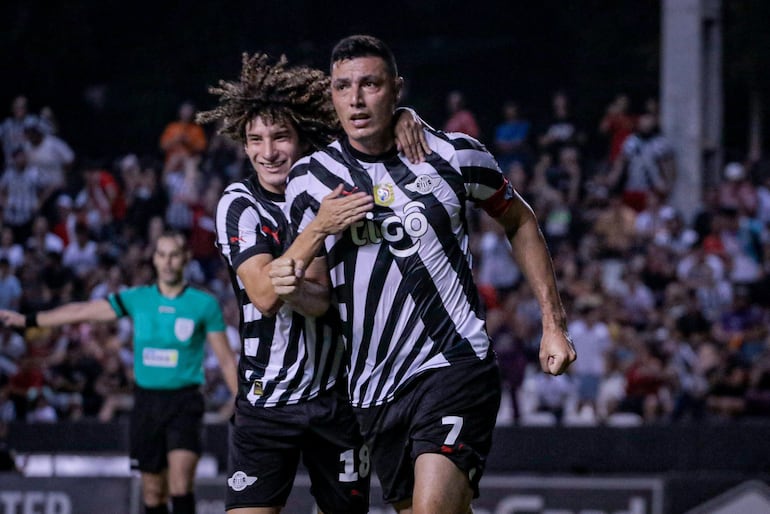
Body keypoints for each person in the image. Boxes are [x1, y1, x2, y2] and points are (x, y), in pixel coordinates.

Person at [276, 35, 576, 514]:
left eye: (370, 85)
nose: (355, 99)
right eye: (343, 87)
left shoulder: (454, 155)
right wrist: (295, 284)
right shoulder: (309, 178)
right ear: (330, 95)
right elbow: (318, 297)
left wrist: (553, 323)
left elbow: (519, 220)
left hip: (453, 362)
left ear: (396, 89)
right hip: (373, 386)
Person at [196, 52, 429, 514]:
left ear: (304, 138)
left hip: (338, 399)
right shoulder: (239, 204)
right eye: (255, 140)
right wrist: (318, 230)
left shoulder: (334, 182)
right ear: (243, 147)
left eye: (280, 136)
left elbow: (319, 301)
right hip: (266, 400)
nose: (268, 152)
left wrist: (404, 116)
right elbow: (263, 295)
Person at [0, 230, 238, 514]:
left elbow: (225, 360)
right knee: (153, 491)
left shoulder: (203, 304)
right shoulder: (138, 298)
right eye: (162, 255)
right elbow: (82, 311)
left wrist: (245, 406)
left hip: (185, 402)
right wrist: (30, 320)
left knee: (180, 483)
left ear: (185, 258)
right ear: (154, 259)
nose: (168, 262)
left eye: (174, 255)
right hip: (147, 403)